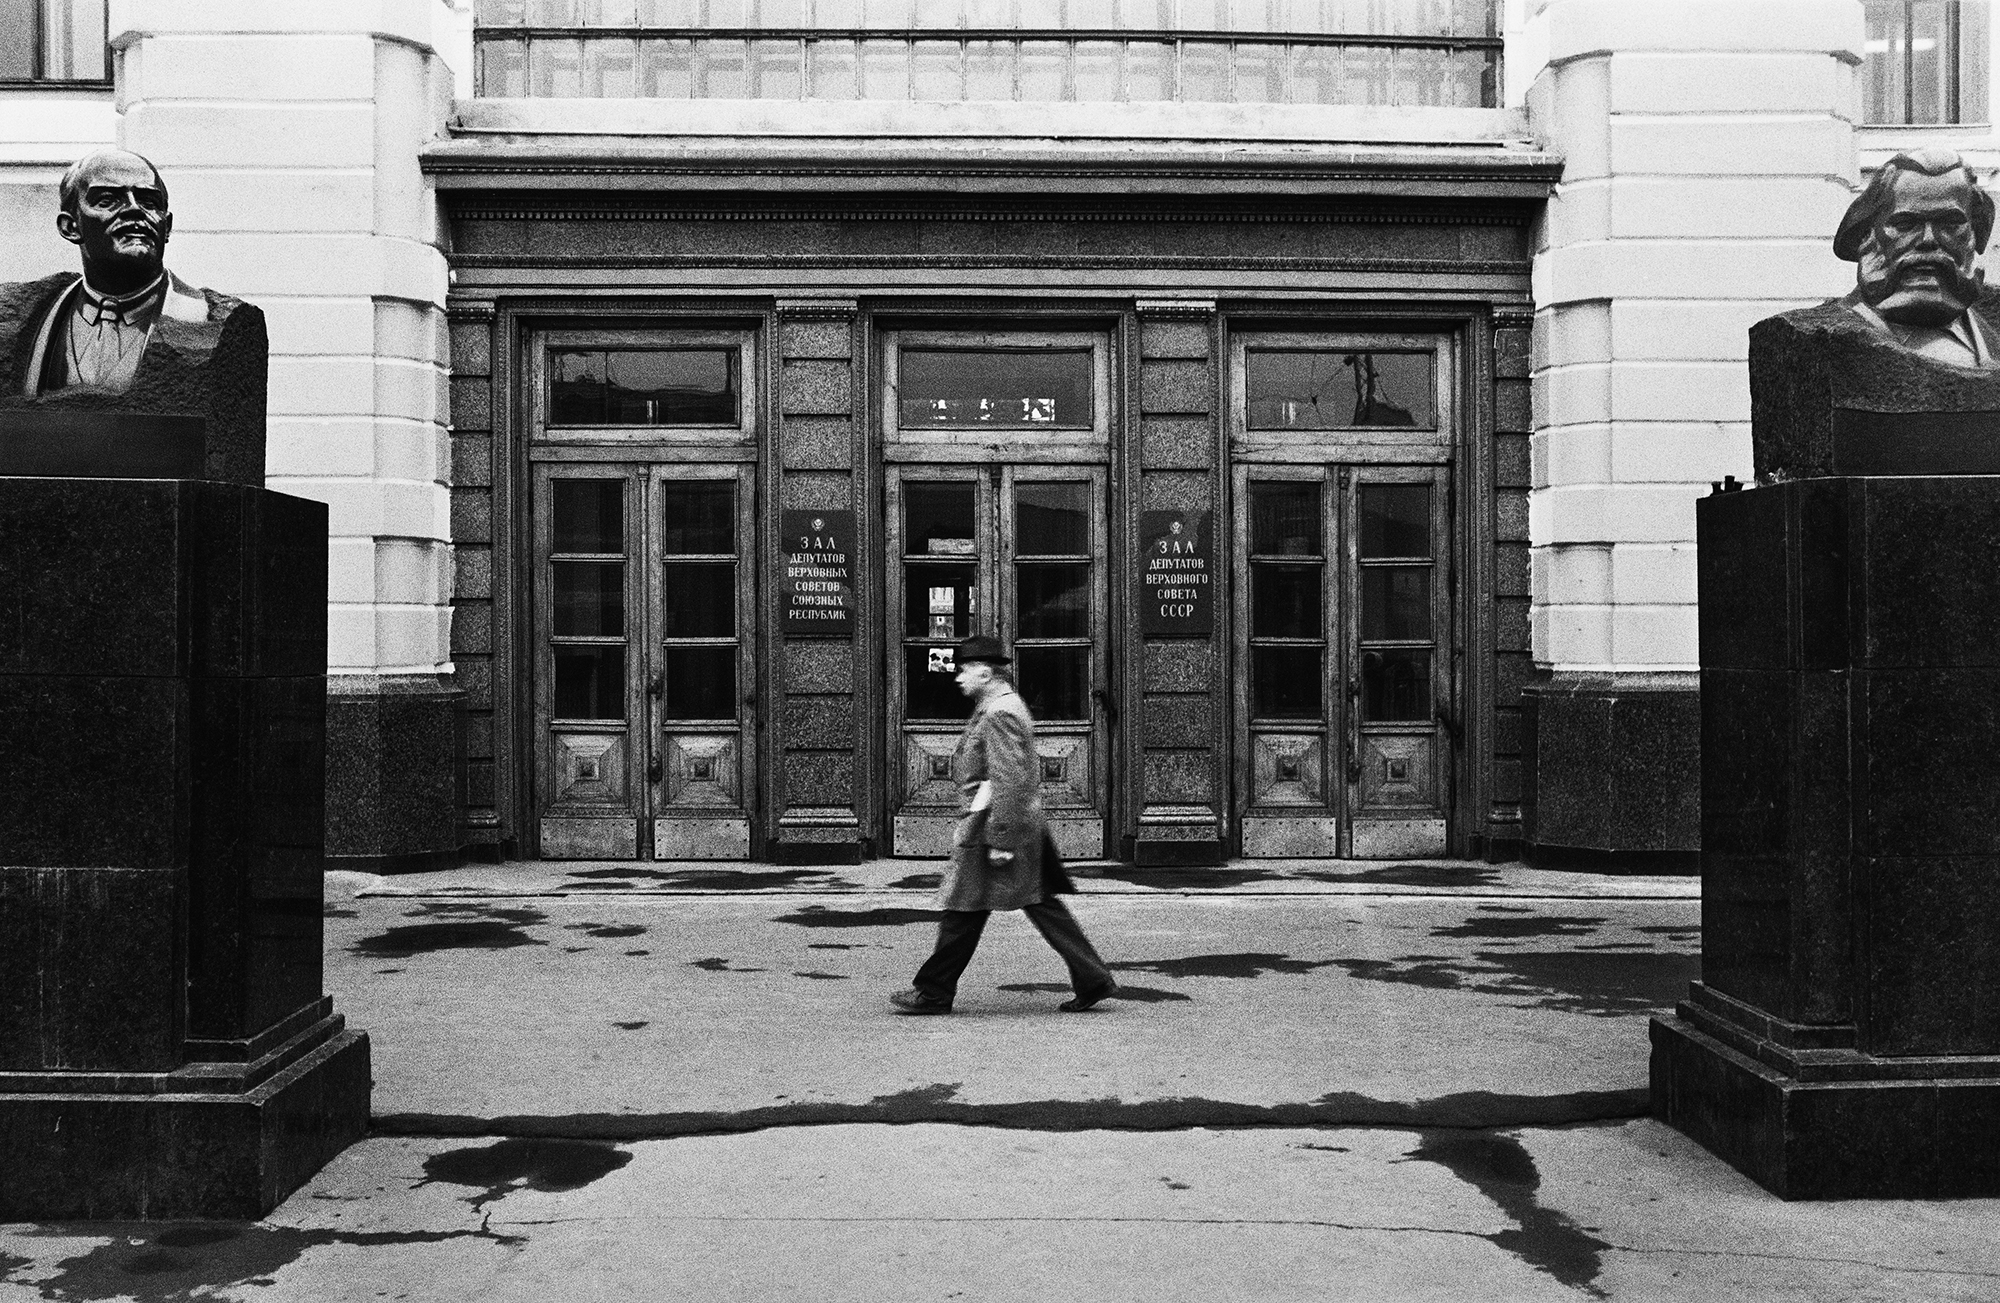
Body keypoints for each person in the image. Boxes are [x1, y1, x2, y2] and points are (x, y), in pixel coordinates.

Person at [890, 635, 1118, 1015]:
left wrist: (1000, 839)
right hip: (1010, 823)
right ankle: (1093, 979)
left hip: (997, 824)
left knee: (963, 910)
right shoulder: (996, 706)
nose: (958, 678)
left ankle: (933, 991)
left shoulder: (1000, 713)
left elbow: (1010, 779)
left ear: (984, 671)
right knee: (1036, 905)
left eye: (963, 670)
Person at [1832, 147, 1999, 366]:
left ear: (1973, 233)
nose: (1928, 240)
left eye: (1950, 223)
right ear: (1868, 234)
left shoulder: (1990, 332)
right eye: (1905, 224)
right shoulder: (1832, 341)